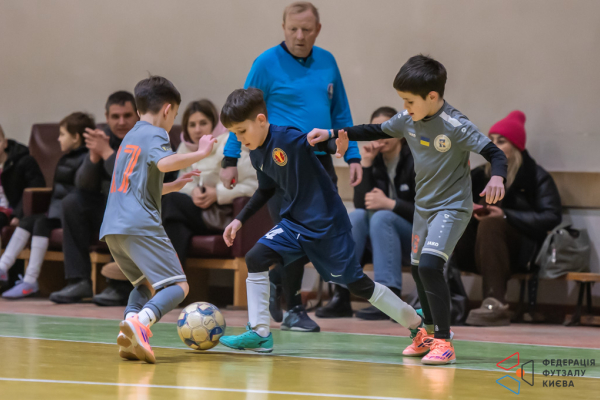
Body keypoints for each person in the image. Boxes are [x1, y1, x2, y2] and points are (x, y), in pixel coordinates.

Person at [308, 55, 508, 365]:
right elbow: (374, 130)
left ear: (432, 96)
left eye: (409, 100)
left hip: (452, 207)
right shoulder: (407, 119)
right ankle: (428, 335)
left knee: (429, 266)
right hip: (423, 209)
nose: (405, 106)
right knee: (418, 269)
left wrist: (497, 177)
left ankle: (444, 341)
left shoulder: (456, 124)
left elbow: (495, 152)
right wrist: (332, 133)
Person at [217, 88, 424, 353]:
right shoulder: (256, 152)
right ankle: (259, 333)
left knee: (358, 285)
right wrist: (239, 220)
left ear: (260, 120)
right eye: (234, 133)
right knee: (255, 257)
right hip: (294, 224)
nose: (239, 138)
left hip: (327, 226)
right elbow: (266, 189)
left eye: (241, 131)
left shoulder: (287, 137)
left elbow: (319, 144)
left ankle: (416, 322)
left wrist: (337, 146)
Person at [219, 1, 362, 332]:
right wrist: (229, 159)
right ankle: (295, 308)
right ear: (283, 28)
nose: (299, 36)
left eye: (307, 30)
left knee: (321, 234)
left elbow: (341, 112)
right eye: (293, 29)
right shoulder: (266, 63)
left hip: (320, 162)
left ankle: (277, 279)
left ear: (318, 30)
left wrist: (352, 154)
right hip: (280, 164)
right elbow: (241, 115)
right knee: (295, 231)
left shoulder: (328, 61)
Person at [100, 76, 216, 364]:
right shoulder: (156, 133)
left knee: (144, 286)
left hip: (113, 227)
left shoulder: (130, 137)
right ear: (167, 110)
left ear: (139, 110)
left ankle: (128, 329)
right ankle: (141, 324)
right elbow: (165, 162)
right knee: (179, 287)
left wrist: (170, 187)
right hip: (139, 224)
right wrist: (200, 152)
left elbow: (135, 185)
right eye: (175, 115)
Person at [452, 110, 561, 326]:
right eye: (490, 140)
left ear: (516, 146)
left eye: (500, 141)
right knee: (449, 222)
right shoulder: (479, 175)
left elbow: (551, 216)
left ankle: (495, 304)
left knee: (492, 224)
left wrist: (505, 215)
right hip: (476, 247)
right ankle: (442, 299)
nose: (493, 146)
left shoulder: (535, 176)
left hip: (520, 251)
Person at [316, 106, 416, 320]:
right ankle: (342, 295)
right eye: (377, 130)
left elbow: (426, 213)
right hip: (380, 237)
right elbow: (362, 204)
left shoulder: (414, 159)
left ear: (400, 132)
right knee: (356, 216)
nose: (382, 135)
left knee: (382, 217)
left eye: (387, 129)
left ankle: (389, 301)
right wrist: (367, 164)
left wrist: (392, 204)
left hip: (415, 237)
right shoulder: (376, 159)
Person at [49, 91, 139, 305]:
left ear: (137, 115)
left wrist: (107, 153)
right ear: (106, 117)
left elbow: (133, 183)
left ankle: (120, 285)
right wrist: (93, 157)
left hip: (140, 211)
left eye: (127, 115)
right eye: (115, 116)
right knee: (72, 202)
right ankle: (79, 280)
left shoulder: (146, 138)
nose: (121, 122)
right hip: (107, 210)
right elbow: (83, 184)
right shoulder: (102, 137)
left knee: (120, 203)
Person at [1, 112, 91, 298]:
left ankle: (30, 280)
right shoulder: (65, 158)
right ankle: (3, 266)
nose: (58, 139)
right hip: (57, 212)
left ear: (76, 137)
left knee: (41, 224)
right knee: (28, 221)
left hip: (72, 215)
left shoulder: (87, 159)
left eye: (62, 134)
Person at [162, 100, 257, 265]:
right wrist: (193, 191)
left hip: (224, 214)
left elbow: (254, 185)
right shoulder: (185, 149)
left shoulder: (230, 146)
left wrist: (217, 193)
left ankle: (159, 274)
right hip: (197, 213)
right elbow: (184, 182)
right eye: (192, 125)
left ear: (214, 124)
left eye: (203, 123)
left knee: (170, 201)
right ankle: (173, 277)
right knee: (174, 222)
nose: (197, 130)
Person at [0, 126, 46, 288]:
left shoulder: (23, 160)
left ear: (5, 143)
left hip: (12, 212)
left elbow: (35, 189)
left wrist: (19, 215)